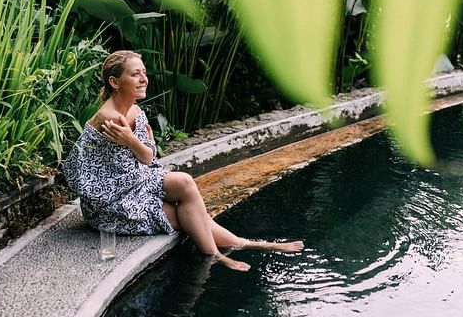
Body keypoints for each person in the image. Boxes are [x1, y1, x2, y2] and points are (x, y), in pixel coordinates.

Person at [62, 50, 304, 271]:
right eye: (135, 74)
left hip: (134, 182)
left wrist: (132, 141)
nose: (143, 79)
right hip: (113, 202)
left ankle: (242, 245)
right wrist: (132, 142)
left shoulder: (134, 111)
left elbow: (148, 156)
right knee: (184, 215)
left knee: (185, 184)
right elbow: (142, 158)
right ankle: (222, 253)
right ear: (115, 82)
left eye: (144, 73)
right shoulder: (110, 118)